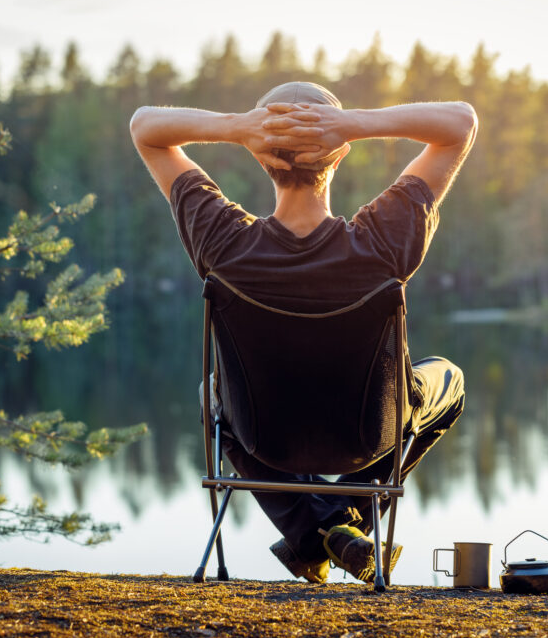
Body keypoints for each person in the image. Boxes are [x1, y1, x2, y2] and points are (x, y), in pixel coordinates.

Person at [130, 82, 477, 583]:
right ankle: (340, 520)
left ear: (261, 159)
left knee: (212, 392)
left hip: (265, 439)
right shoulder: (383, 241)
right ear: (339, 158)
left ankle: (314, 528)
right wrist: (354, 124)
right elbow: (461, 123)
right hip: (369, 436)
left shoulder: (223, 243)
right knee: (450, 378)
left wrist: (238, 127)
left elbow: (145, 128)